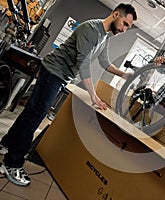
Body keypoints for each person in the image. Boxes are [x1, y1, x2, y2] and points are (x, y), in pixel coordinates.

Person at [0, 3, 137, 186]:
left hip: (59, 75)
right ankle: (12, 163)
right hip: (54, 72)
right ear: (116, 14)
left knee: (31, 112)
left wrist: (124, 75)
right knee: (35, 116)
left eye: (128, 26)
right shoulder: (91, 28)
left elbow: (104, 62)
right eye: (125, 23)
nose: (124, 29)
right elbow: (83, 63)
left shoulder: (105, 36)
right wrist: (94, 96)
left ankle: (7, 144)